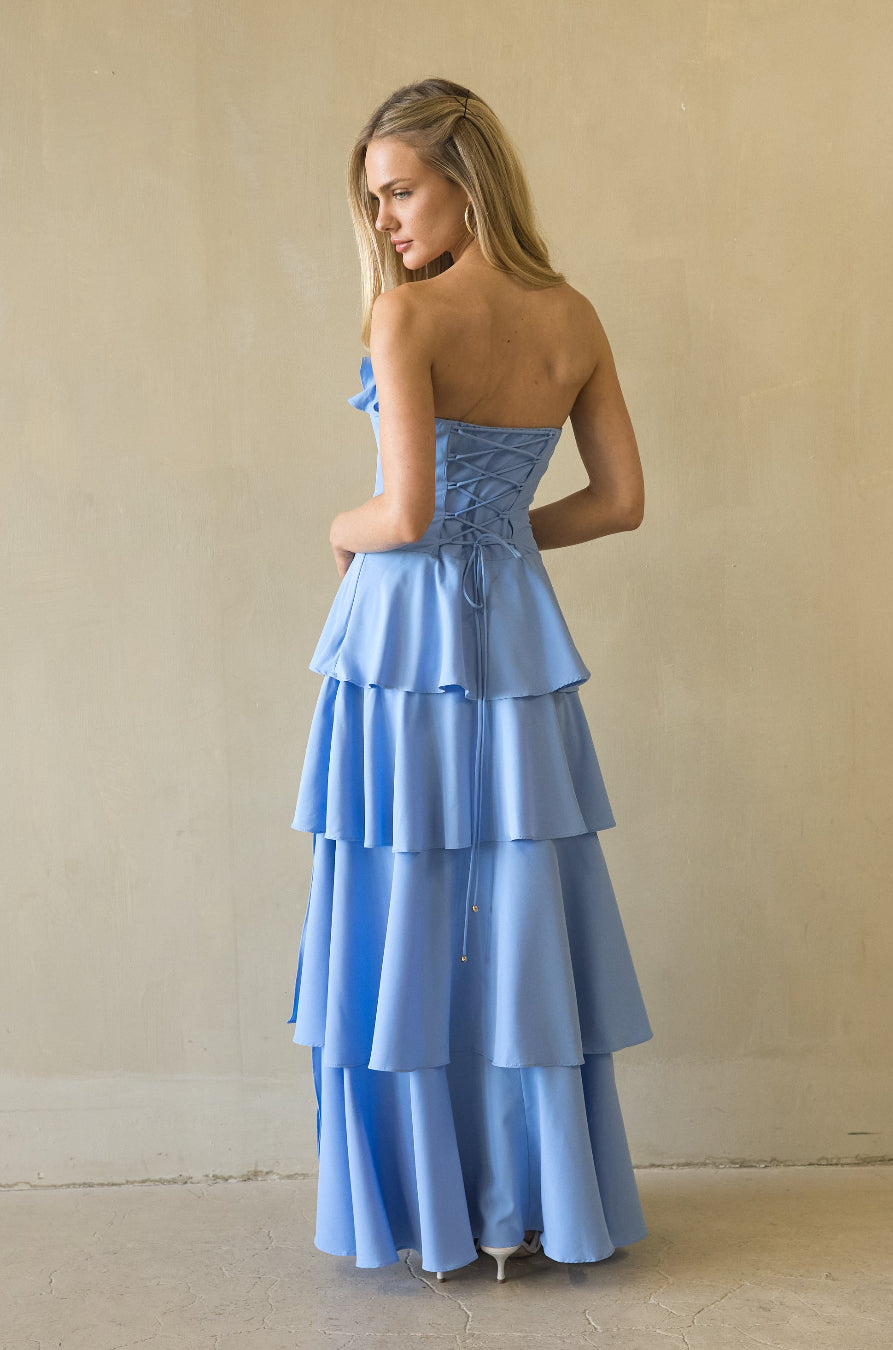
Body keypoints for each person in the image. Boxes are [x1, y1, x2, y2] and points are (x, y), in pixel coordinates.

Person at [287, 77, 653, 1284]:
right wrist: (500, 533)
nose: (386, 222)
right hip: (514, 647)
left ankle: (437, 1216)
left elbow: (403, 511)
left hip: (403, 648)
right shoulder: (576, 315)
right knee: (518, 910)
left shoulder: (407, 318)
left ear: (467, 175)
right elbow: (619, 503)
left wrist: (343, 527)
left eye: (400, 191)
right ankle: (530, 1206)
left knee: (406, 912)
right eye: (375, 201)